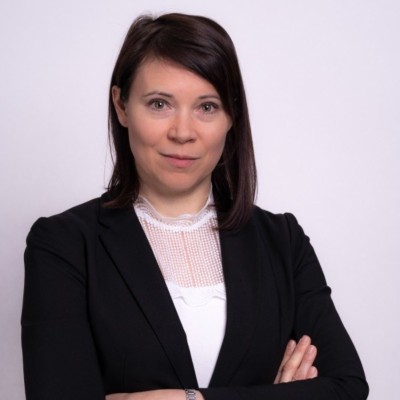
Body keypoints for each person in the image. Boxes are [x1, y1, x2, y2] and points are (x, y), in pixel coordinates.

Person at [21, 13, 368, 400]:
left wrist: (189, 399)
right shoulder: (63, 244)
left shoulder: (282, 242)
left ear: (231, 115)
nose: (183, 133)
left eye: (207, 107)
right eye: (159, 104)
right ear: (121, 105)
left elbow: (347, 388)